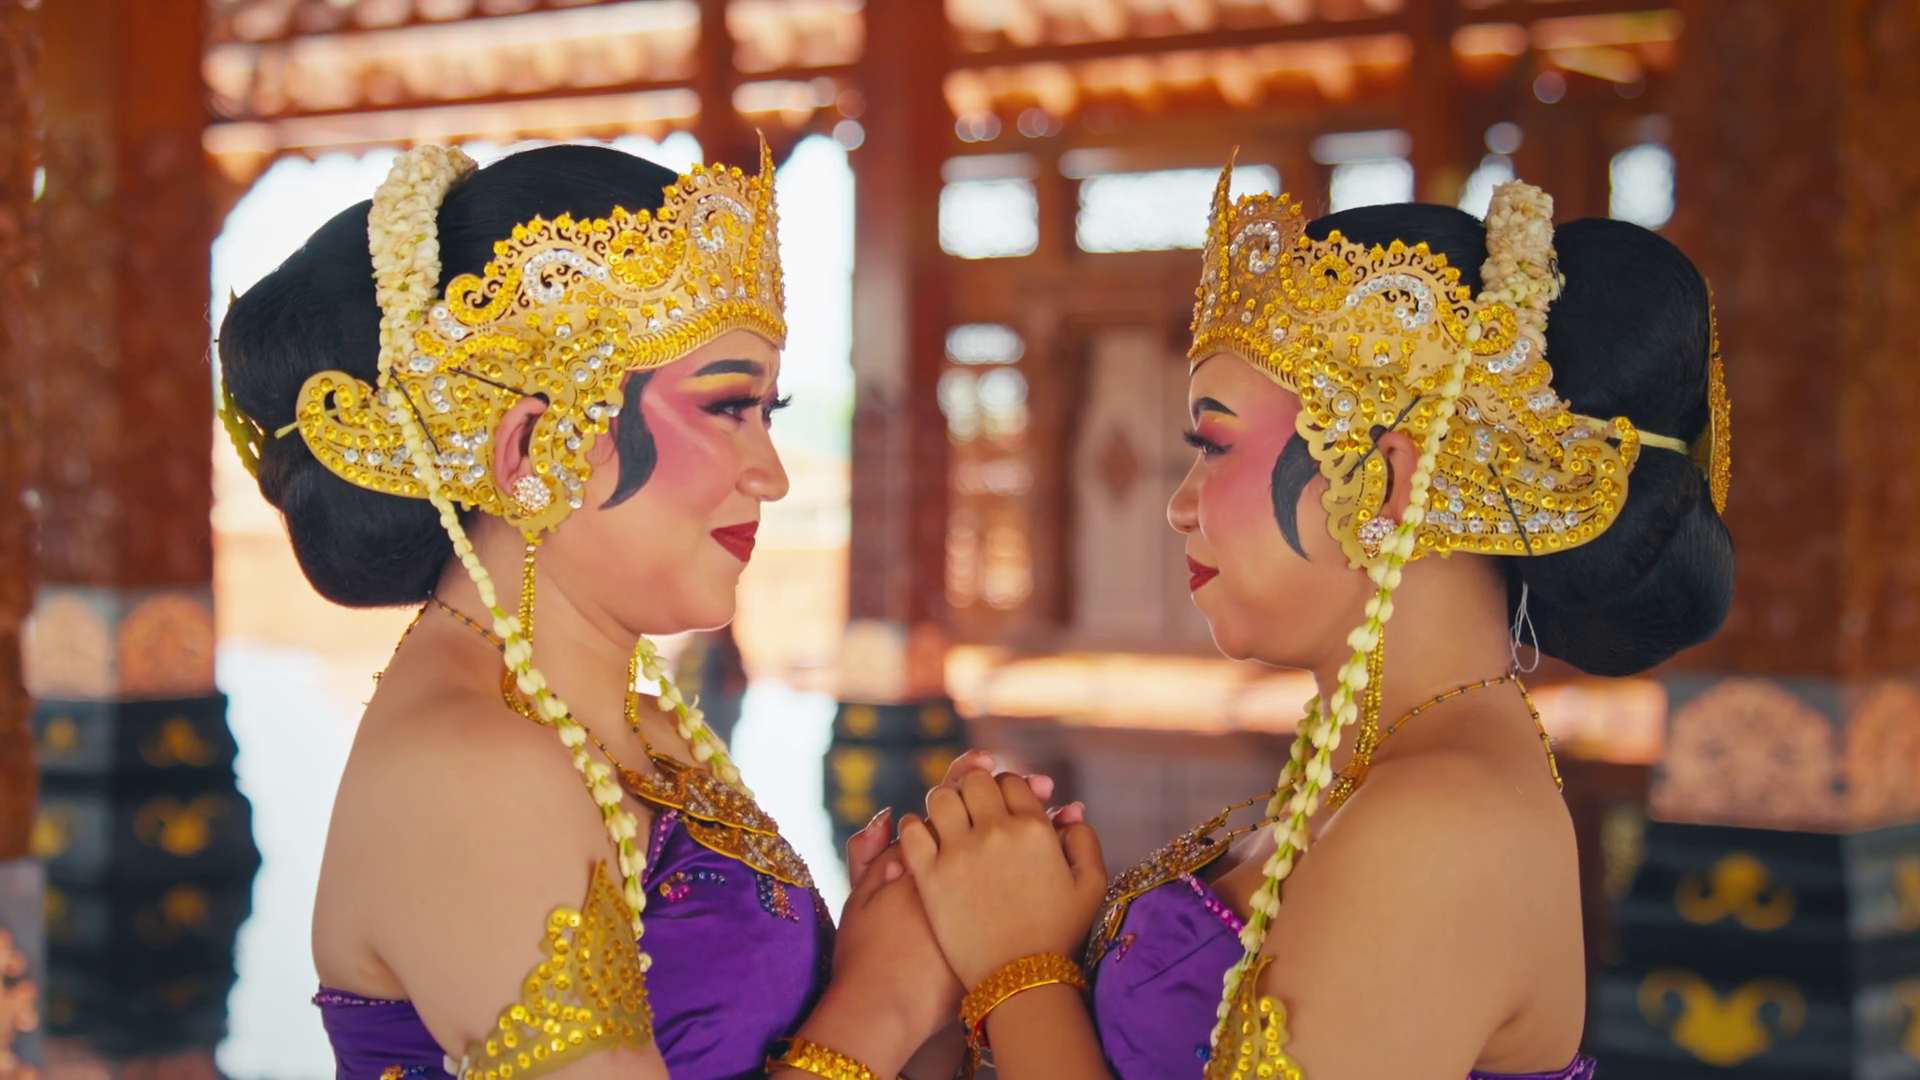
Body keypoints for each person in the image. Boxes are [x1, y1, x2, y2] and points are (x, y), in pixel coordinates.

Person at [896, 169, 1733, 1079]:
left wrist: (1019, 964)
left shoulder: (1447, 825)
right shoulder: (1364, 773)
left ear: (1390, 479)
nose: (1179, 504)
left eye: (1214, 444)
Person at [217, 141, 980, 1080]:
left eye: (768, 413)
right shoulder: (473, 772)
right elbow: (858, 1022)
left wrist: (930, 962)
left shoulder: (641, 722)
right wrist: (882, 999)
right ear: (532, 447)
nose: (770, 474)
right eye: (727, 408)